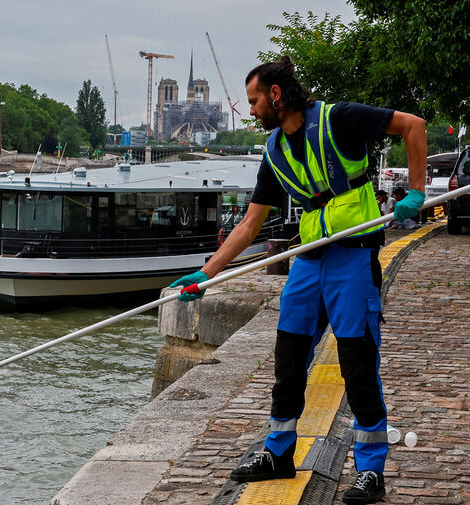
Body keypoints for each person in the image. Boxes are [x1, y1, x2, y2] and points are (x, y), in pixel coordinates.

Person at [169, 56, 427, 504]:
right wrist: (208, 275)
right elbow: (249, 224)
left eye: (253, 101)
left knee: (357, 366)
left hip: (353, 257)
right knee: (288, 362)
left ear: (274, 94)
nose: (249, 110)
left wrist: (418, 191)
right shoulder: (274, 151)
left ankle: (370, 472)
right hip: (307, 261)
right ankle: (277, 455)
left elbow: (414, 125)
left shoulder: (339, 119)